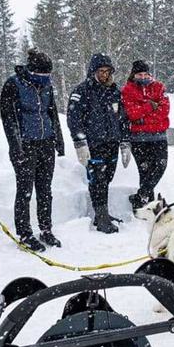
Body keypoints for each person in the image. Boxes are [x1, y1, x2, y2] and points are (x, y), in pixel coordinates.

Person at [0, 49, 67, 250]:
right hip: (24, 145)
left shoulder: (47, 86)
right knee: (25, 191)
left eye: (48, 76)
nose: (45, 79)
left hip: (46, 142)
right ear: (31, 71)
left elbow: (52, 112)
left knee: (45, 189)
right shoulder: (13, 84)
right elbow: (8, 119)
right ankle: (25, 233)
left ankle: (46, 228)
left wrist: (58, 139)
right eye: (41, 75)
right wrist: (16, 146)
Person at [67, 53, 130, 234]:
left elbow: (123, 119)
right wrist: (80, 142)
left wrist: (125, 141)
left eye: (107, 71)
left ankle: (103, 213)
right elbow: (73, 118)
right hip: (94, 145)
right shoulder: (82, 91)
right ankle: (101, 216)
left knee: (107, 178)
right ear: (93, 71)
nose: (104, 74)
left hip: (112, 143)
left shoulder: (114, 92)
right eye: (101, 71)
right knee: (98, 180)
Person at [120, 60, 171, 210]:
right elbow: (131, 114)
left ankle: (140, 196)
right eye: (139, 74)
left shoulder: (159, 87)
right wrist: (150, 105)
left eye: (145, 74)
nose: (143, 77)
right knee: (145, 171)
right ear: (133, 75)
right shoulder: (127, 90)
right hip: (138, 138)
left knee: (160, 166)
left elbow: (164, 111)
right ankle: (148, 204)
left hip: (159, 136)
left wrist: (143, 114)